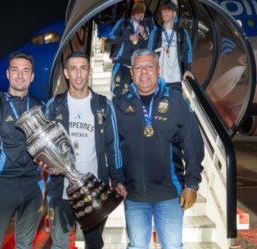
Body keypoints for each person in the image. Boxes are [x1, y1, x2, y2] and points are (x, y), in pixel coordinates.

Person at [113, 49, 204, 248]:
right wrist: (117, 179)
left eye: (149, 67)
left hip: (170, 195)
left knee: (172, 246)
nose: (144, 72)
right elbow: (112, 148)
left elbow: (193, 143)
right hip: (134, 195)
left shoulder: (176, 101)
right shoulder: (119, 104)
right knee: (137, 246)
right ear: (132, 73)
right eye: (138, 67)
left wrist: (192, 184)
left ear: (158, 70)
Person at [43, 52, 127, 249]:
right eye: (73, 69)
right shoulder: (54, 106)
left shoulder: (103, 105)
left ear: (89, 71)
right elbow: (46, 147)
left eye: (83, 68)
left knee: (94, 245)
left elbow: (113, 146)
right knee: (59, 245)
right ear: (66, 73)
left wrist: (118, 179)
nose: (78, 74)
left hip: (93, 192)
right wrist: (46, 167)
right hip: (60, 191)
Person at [0, 51, 43, 249]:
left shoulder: (40, 108)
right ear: (7, 74)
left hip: (34, 186)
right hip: (1, 187)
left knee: (25, 245)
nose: (20, 75)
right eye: (15, 70)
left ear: (32, 76)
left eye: (25, 70)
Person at [147, 2, 194, 93]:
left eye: (168, 11)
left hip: (176, 79)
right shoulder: (155, 32)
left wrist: (188, 69)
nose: (164, 13)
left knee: (174, 105)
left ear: (174, 13)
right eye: (163, 11)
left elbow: (188, 52)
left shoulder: (182, 33)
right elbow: (149, 53)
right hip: (158, 79)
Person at [109, 2, 150, 98]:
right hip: (121, 62)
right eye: (137, 11)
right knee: (117, 92)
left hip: (136, 65)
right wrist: (128, 37)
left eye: (142, 12)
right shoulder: (123, 22)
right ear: (133, 12)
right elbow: (110, 39)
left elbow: (149, 46)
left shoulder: (144, 26)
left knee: (133, 95)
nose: (139, 14)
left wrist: (144, 34)